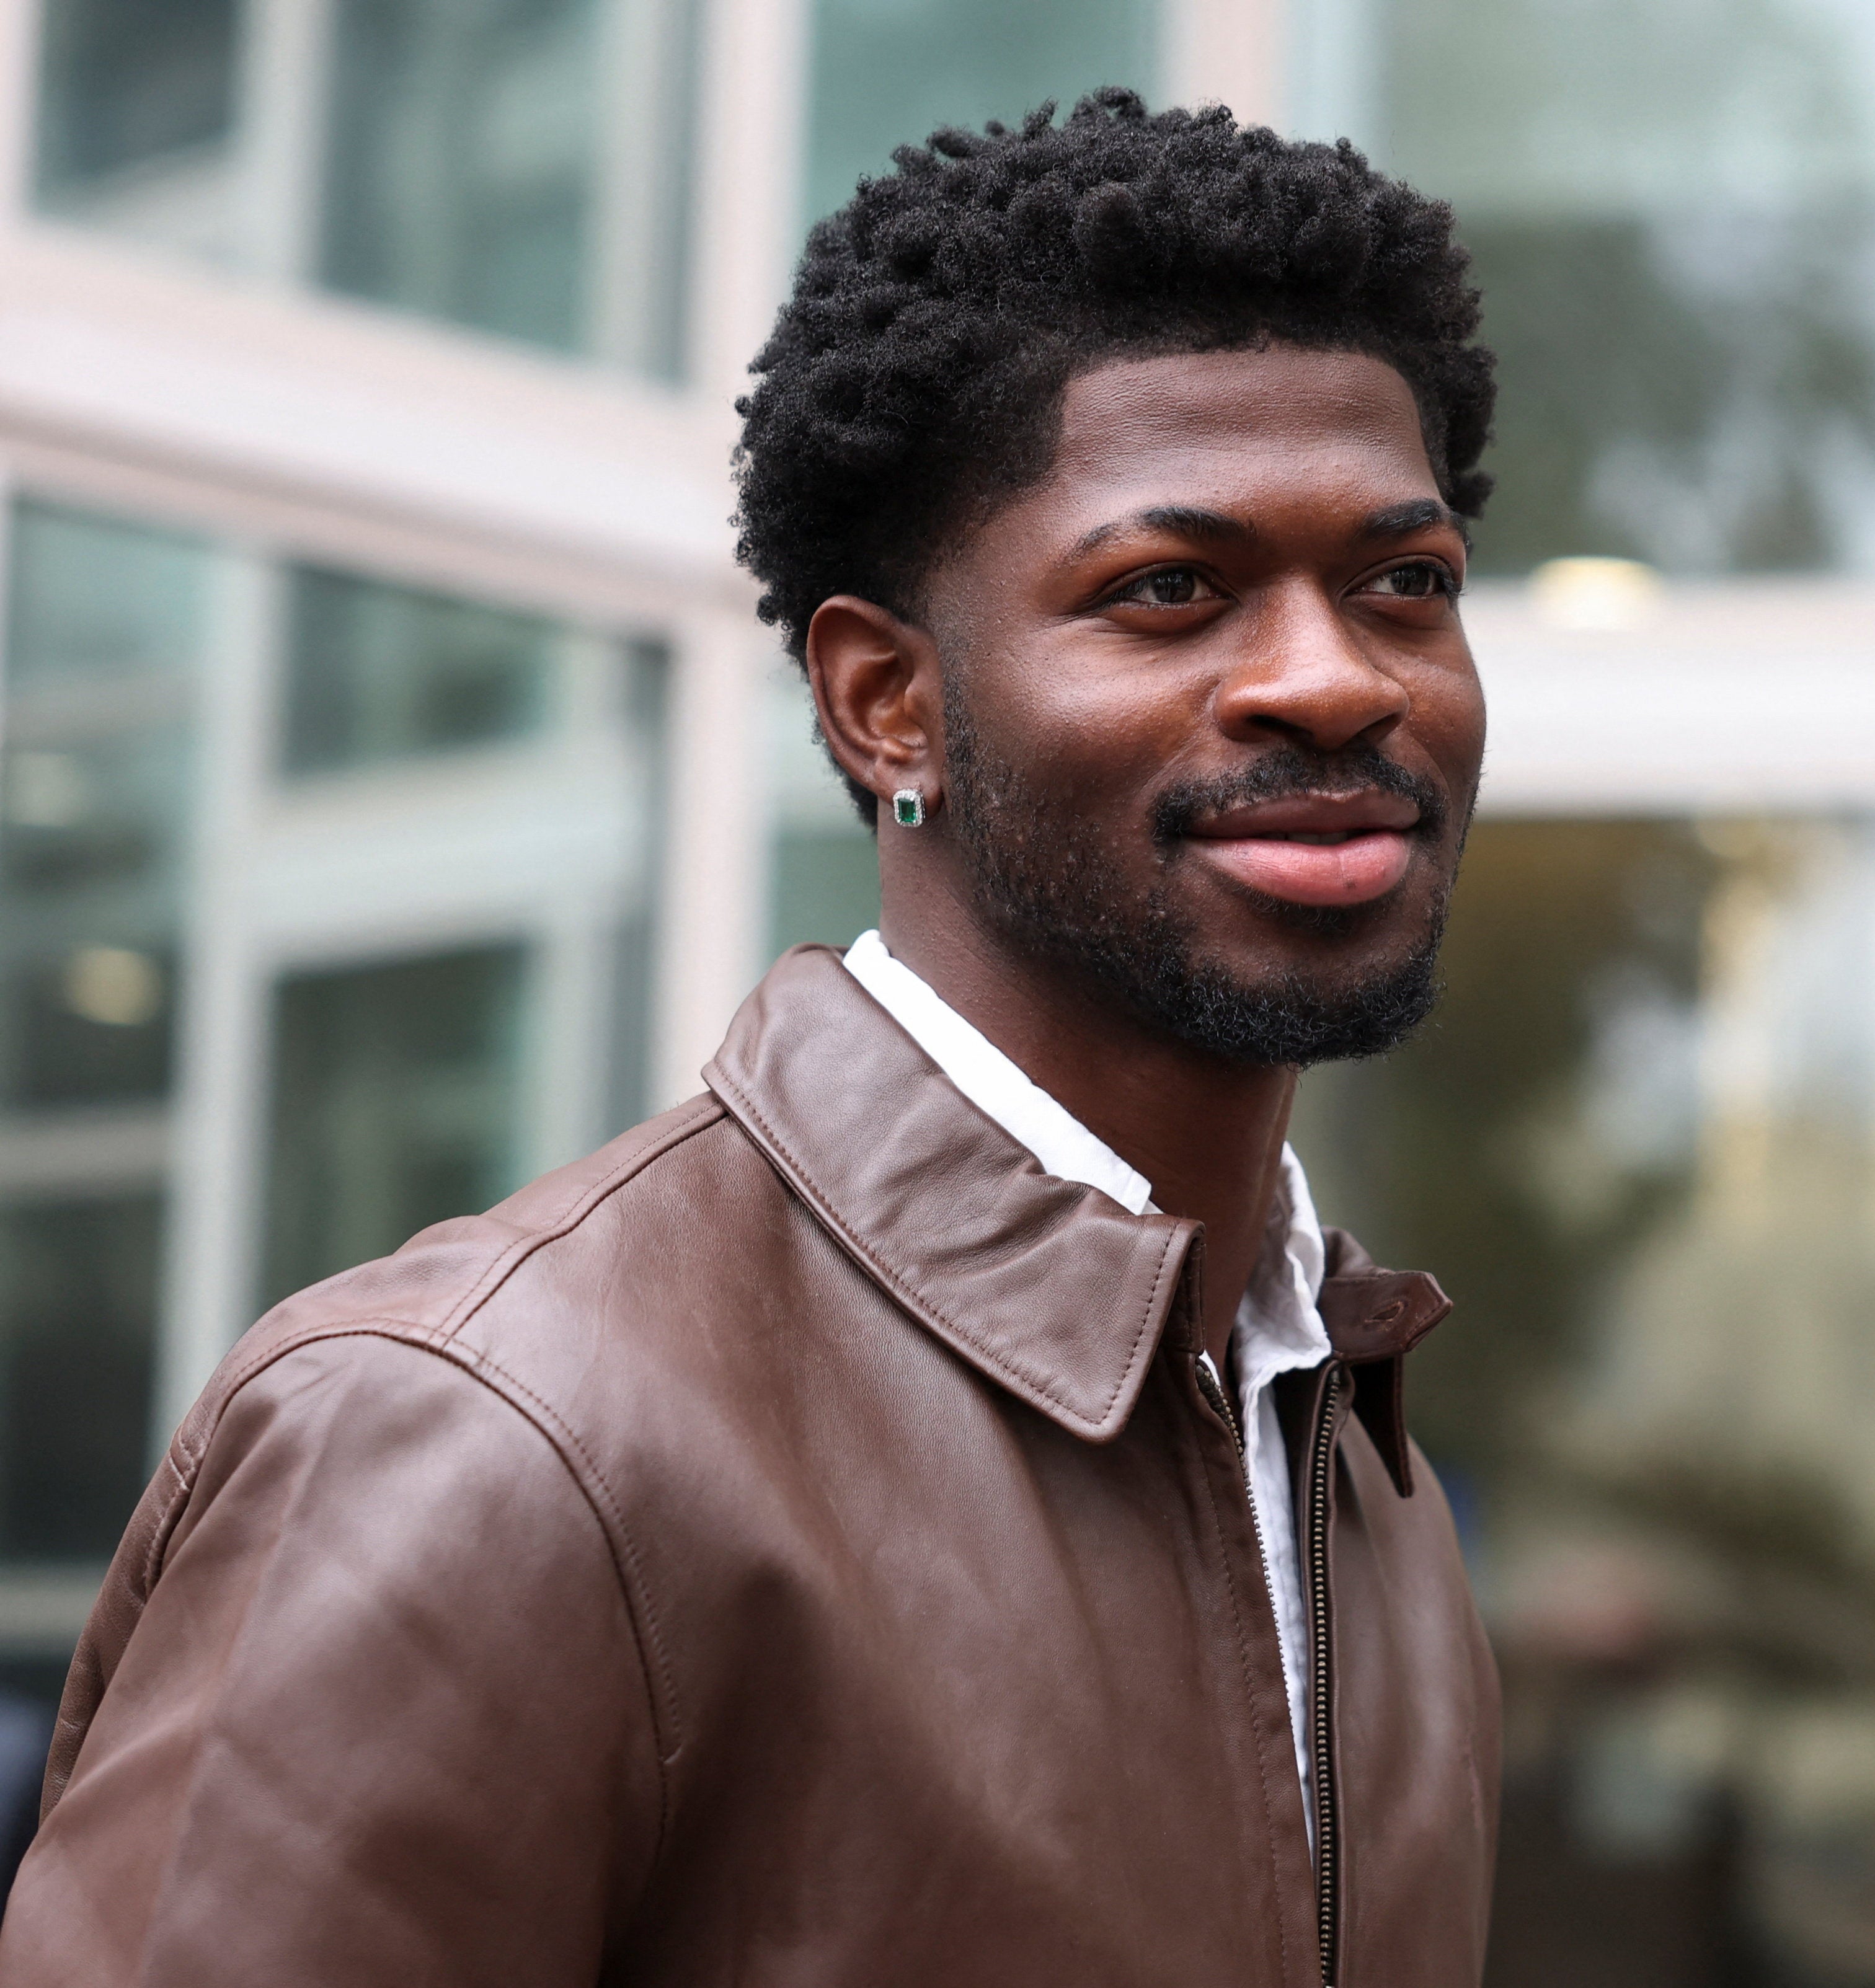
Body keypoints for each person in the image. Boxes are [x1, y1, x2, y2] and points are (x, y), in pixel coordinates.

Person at [1, 91, 1501, 1983]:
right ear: (889, 707)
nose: (1333, 675)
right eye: (1170, 591)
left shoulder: (1346, 1454)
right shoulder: (494, 1433)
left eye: (1405, 584)